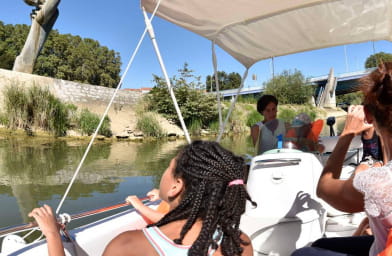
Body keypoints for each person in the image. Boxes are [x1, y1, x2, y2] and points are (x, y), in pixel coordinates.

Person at [29, 140, 254, 256]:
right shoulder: (239, 243)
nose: (164, 173)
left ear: (176, 186)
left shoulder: (128, 245)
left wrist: (52, 234)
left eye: (168, 167)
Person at [291, 62, 392, 256]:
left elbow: (324, 188)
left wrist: (347, 133)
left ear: (369, 115)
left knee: (301, 254)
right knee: (321, 243)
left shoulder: (379, 183)